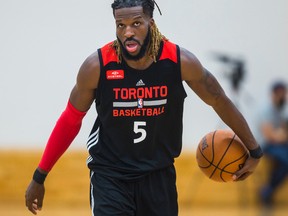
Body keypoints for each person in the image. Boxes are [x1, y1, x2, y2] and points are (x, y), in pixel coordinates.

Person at [25, 1, 263, 215]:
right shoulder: (97, 66)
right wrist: (40, 175)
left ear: (151, 22)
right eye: (120, 25)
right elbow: (70, 120)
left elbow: (218, 100)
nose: (128, 32)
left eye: (136, 23)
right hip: (110, 176)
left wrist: (254, 150)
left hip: (158, 176)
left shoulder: (179, 62)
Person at [258, 81, 288, 206]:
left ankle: (268, 191)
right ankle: (267, 191)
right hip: (266, 145)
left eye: (283, 94)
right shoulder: (266, 110)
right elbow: (270, 136)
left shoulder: (282, 110)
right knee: (285, 161)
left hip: (279, 145)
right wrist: (282, 135)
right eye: (279, 94)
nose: (281, 96)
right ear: (273, 94)